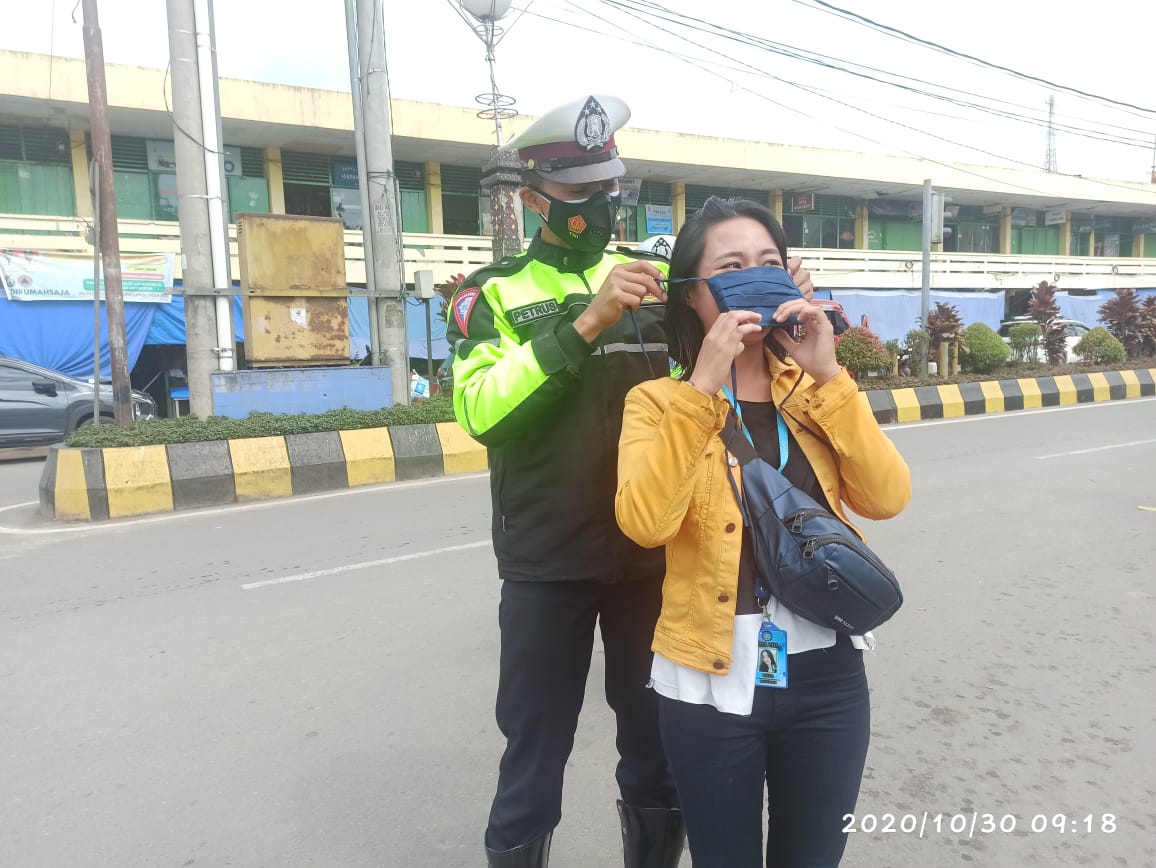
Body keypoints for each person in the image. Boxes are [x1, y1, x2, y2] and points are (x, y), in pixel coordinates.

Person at [447, 96, 816, 867]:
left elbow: (726, 380)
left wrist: (775, 298)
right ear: (533, 198)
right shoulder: (495, 294)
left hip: (655, 555)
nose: (596, 206)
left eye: (607, 188)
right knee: (534, 745)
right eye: (578, 192)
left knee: (655, 743)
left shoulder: (661, 286)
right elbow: (482, 410)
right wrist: (582, 324)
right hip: (548, 561)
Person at [615, 197, 911, 868]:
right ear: (694, 295)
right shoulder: (658, 403)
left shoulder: (814, 389)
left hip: (828, 674)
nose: (755, 275)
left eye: (770, 262)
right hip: (711, 682)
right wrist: (702, 387)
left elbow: (887, 498)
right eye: (732, 265)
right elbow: (645, 522)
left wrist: (828, 373)